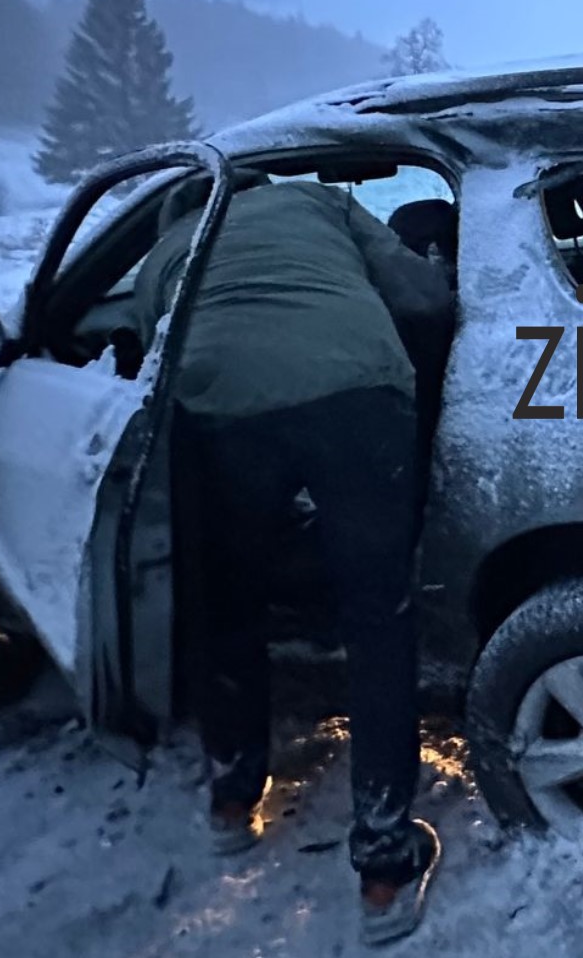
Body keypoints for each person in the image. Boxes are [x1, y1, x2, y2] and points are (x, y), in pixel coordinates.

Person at [131, 167, 455, 944]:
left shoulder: (170, 246)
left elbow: (151, 354)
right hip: (356, 393)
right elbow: (421, 298)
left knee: (229, 603)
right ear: (264, 185)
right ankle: (383, 868)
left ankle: (231, 801)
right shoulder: (316, 200)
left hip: (222, 406)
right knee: (377, 622)